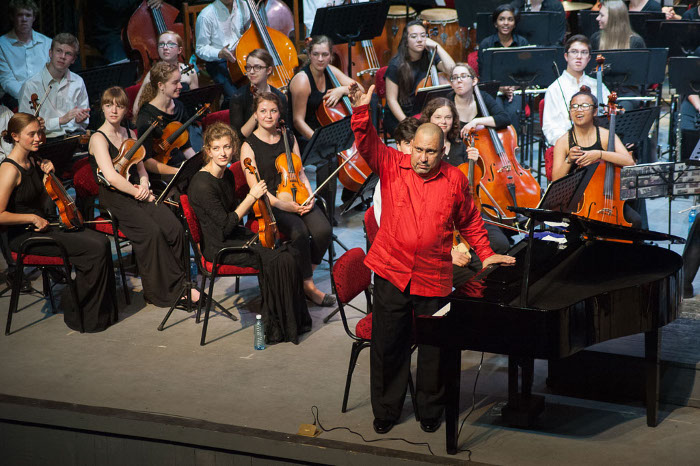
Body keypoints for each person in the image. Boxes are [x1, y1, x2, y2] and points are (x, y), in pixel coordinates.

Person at [350, 84, 515, 435]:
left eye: (431, 152)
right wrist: (363, 111)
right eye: (419, 150)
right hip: (392, 271)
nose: (423, 158)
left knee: (434, 349)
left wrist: (485, 254)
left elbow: (470, 220)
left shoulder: (454, 179)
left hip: (433, 276)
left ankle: (430, 410)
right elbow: (366, 143)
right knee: (388, 346)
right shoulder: (393, 164)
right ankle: (386, 411)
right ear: (411, 148)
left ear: (444, 151)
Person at [188, 121, 312, 343]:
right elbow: (225, 226)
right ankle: (276, 329)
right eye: (216, 148)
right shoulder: (202, 185)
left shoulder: (225, 175)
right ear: (208, 151)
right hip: (220, 247)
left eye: (226, 147)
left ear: (233, 147)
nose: (223, 153)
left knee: (289, 253)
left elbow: (232, 218)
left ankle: (294, 322)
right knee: (276, 260)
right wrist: (251, 196)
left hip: (234, 235)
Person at [0, 112, 117, 332]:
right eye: (31, 134)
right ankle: (75, 306)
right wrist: (31, 217)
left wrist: (50, 175)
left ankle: (102, 311)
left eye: (40, 133)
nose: (38, 138)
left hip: (46, 226)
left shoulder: (35, 161)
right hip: (26, 236)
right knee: (93, 249)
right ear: (15, 136)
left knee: (101, 241)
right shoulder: (8, 170)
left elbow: (48, 199)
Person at [89, 86, 197, 307]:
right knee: (152, 233)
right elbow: (110, 176)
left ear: (125, 110)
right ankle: (163, 293)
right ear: (102, 107)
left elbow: (140, 167)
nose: (113, 110)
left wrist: (145, 182)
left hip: (138, 190)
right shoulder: (98, 139)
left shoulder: (129, 134)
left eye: (119, 106)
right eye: (109, 105)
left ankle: (182, 283)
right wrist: (137, 191)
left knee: (174, 228)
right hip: (115, 197)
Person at [241, 91, 334, 307]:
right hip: (271, 202)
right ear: (255, 114)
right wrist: (285, 205)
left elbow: (300, 172)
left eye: (273, 111)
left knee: (323, 231)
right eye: (263, 111)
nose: (268, 116)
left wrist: (309, 196)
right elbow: (256, 188)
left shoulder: (288, 136)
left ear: (279, 113)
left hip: (297, 193)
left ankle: (302, 276)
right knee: (298, 232)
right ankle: (309, 286)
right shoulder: (248, 146)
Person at [419, 97, 511, 255]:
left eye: (448, 117)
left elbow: (471, 183)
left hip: (465, 210)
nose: (443, 122)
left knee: (501, 244)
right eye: (438, 117)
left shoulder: (460, 146)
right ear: (429, 119)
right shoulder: (423, 150)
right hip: (437, 213)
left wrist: (475, 163)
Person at [288, 35, 363, 219]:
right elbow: (298, 121)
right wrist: (320, 141)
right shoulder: (302, 81)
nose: (320, 59)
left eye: (325, 55)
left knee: (357, 136)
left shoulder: (330, 71)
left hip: (326, 132)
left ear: (330, 56)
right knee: (328, 159)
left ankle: (351, 193)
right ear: (309, 54)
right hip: (304, 137)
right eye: (316, 54)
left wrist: (342, 89)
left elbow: (359, 88)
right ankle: (325, 213)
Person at [551, 87, 641, 228]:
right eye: (574, 106)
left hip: (607, 196)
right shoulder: (563, 141)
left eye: (584, 106)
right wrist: (569, 159)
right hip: (578, 198)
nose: (578, 110)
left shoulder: (605, 135)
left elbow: (629, 162)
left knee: (635, 221)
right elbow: (555, 179)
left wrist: (599, 154)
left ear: (594, 111)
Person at [384, 20, 455, 137]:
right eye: (414, 36)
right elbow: (392, 101)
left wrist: (438, 47)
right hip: (400, 116)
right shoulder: (395, 65)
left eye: (423, 35)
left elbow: (451, 70)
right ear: (406, 41)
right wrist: (406, 123)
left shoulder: (430, 56)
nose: (419, 39)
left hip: (423, 113)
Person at [543, 35, 610, 147]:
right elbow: (550, 129)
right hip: (569, 146)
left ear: (588, 58)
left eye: (584, 52)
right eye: (574, 52)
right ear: (566, 56)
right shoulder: (554, 89)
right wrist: (572, 143)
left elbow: (609, 119)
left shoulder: (598, 85)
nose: (579, 56)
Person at [18, 33, 89, 140]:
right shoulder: (31, 85)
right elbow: (24, 127)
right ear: (50, 53)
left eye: (68, 53)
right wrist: (60, 120)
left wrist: (80, 120)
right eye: (59, 51)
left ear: (73, 59)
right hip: (46, 142)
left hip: (74, 139)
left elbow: (84, 123)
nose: (62, 57)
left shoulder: (78, 81)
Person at [135, 61, 197, 177]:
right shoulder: (146, 115)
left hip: (180, 166)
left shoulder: (179, 107)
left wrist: (198, 165)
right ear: (161, 85)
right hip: (161, 173)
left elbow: (185, 147)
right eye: (175, 83)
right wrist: (178, 173)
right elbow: (147, 161)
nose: (180, 86)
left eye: (179, 81)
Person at [478, 5, 529, 132]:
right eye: (501, 19)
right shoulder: (486, 44)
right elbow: (484, 74)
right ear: (495, 23)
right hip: (493, 89)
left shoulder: (522, 43)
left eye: (510, 19)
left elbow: (526, 72)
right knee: (498, 113)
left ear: (515, 23)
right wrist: (501, 88)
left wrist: (513, 87)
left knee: (513, 112)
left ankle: (512, 148)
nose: (506, 23)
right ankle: (497, 149)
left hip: (516, 89)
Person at [195, 0, 251, 102]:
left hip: (242, 56)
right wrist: (219, 53)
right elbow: (200, 48)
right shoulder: (206, 15)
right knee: (235, 97)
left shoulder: (243, 5)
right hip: (219, 61)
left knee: (257, 89)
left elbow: (249, 29)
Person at [133, 30, 199, 116]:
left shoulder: (190, 71)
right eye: (161, 44)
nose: (165, 47)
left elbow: (197, 103)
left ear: (179, 50)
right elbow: (136, 109)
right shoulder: (152, 74)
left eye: (170, 44)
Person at [229, 48, 289, 141]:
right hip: (248, 146)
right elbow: (237, 137)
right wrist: (257, 112)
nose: (251, 72)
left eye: (257, 67)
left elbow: (286, 130)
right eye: (248, 67)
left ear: (268, 70)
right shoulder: (238, 97)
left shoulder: (279, 97)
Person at [0, 0, 51, 109]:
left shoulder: (47, 43)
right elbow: (6, 80)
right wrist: (29, 98)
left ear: (33, 18)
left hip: (46, 97)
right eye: (20, 15)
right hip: (15, 99)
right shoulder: (2, 44)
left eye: (28, 15)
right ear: (12, 17)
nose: (24, 19)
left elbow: (52, 74)